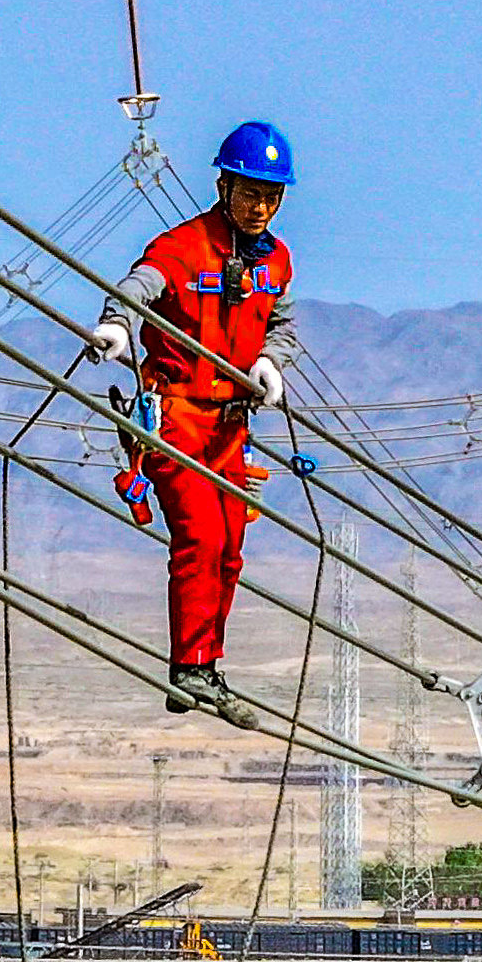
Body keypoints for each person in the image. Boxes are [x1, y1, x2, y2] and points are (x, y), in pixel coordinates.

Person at [88, 121, 298, 724]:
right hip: (176, 415)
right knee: (200, 536)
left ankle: (204, 667)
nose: (262, 207)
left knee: (230, 546)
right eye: (252, 192)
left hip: (231, 425)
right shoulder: (181, 248)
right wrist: (116, 325)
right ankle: (189, 666)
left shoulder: (277, 262)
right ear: (225, 185)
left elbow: (282, 326)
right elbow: (136, 289)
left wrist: (269, 362)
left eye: (273, 196)